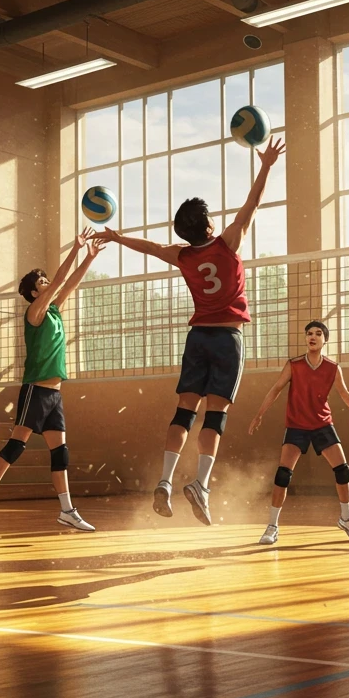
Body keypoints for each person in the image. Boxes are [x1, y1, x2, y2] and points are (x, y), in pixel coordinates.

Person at [95, 136, 285, 526]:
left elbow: (149, 247)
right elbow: (253, 204)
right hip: (227, 340)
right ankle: (200, 484)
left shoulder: (182, 255)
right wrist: (266, 165)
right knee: (214, 417)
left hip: (197, 338)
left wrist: (116, 238)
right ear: (211, 224)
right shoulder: (229, 243)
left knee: (184, 412)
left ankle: (165, 480)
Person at [0, 230, 103, 533]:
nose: (48, 283)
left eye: (46, 280)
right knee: (15, 448)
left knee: (61, 453)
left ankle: (67, 510)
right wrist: (75, 249)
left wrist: (89, 257)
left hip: (54, 396)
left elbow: (69, 283)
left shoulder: (55, 311)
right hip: (35, 390)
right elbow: (60, 280)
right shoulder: (35, 312)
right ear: (34, 292)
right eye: (42, 282)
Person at [248, 320, 349, 545]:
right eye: (309, 333)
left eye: (318, 333)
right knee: (283, 475)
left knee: (343, 471)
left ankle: (346, 519)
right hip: (296, 425)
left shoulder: (333, 367)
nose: (313, 336)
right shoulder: (294, 364)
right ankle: (272, 526)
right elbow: (276, 389)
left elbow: (345, 394)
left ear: (324, 340)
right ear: (306, 338)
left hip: (322, 425)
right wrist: (259, 414)